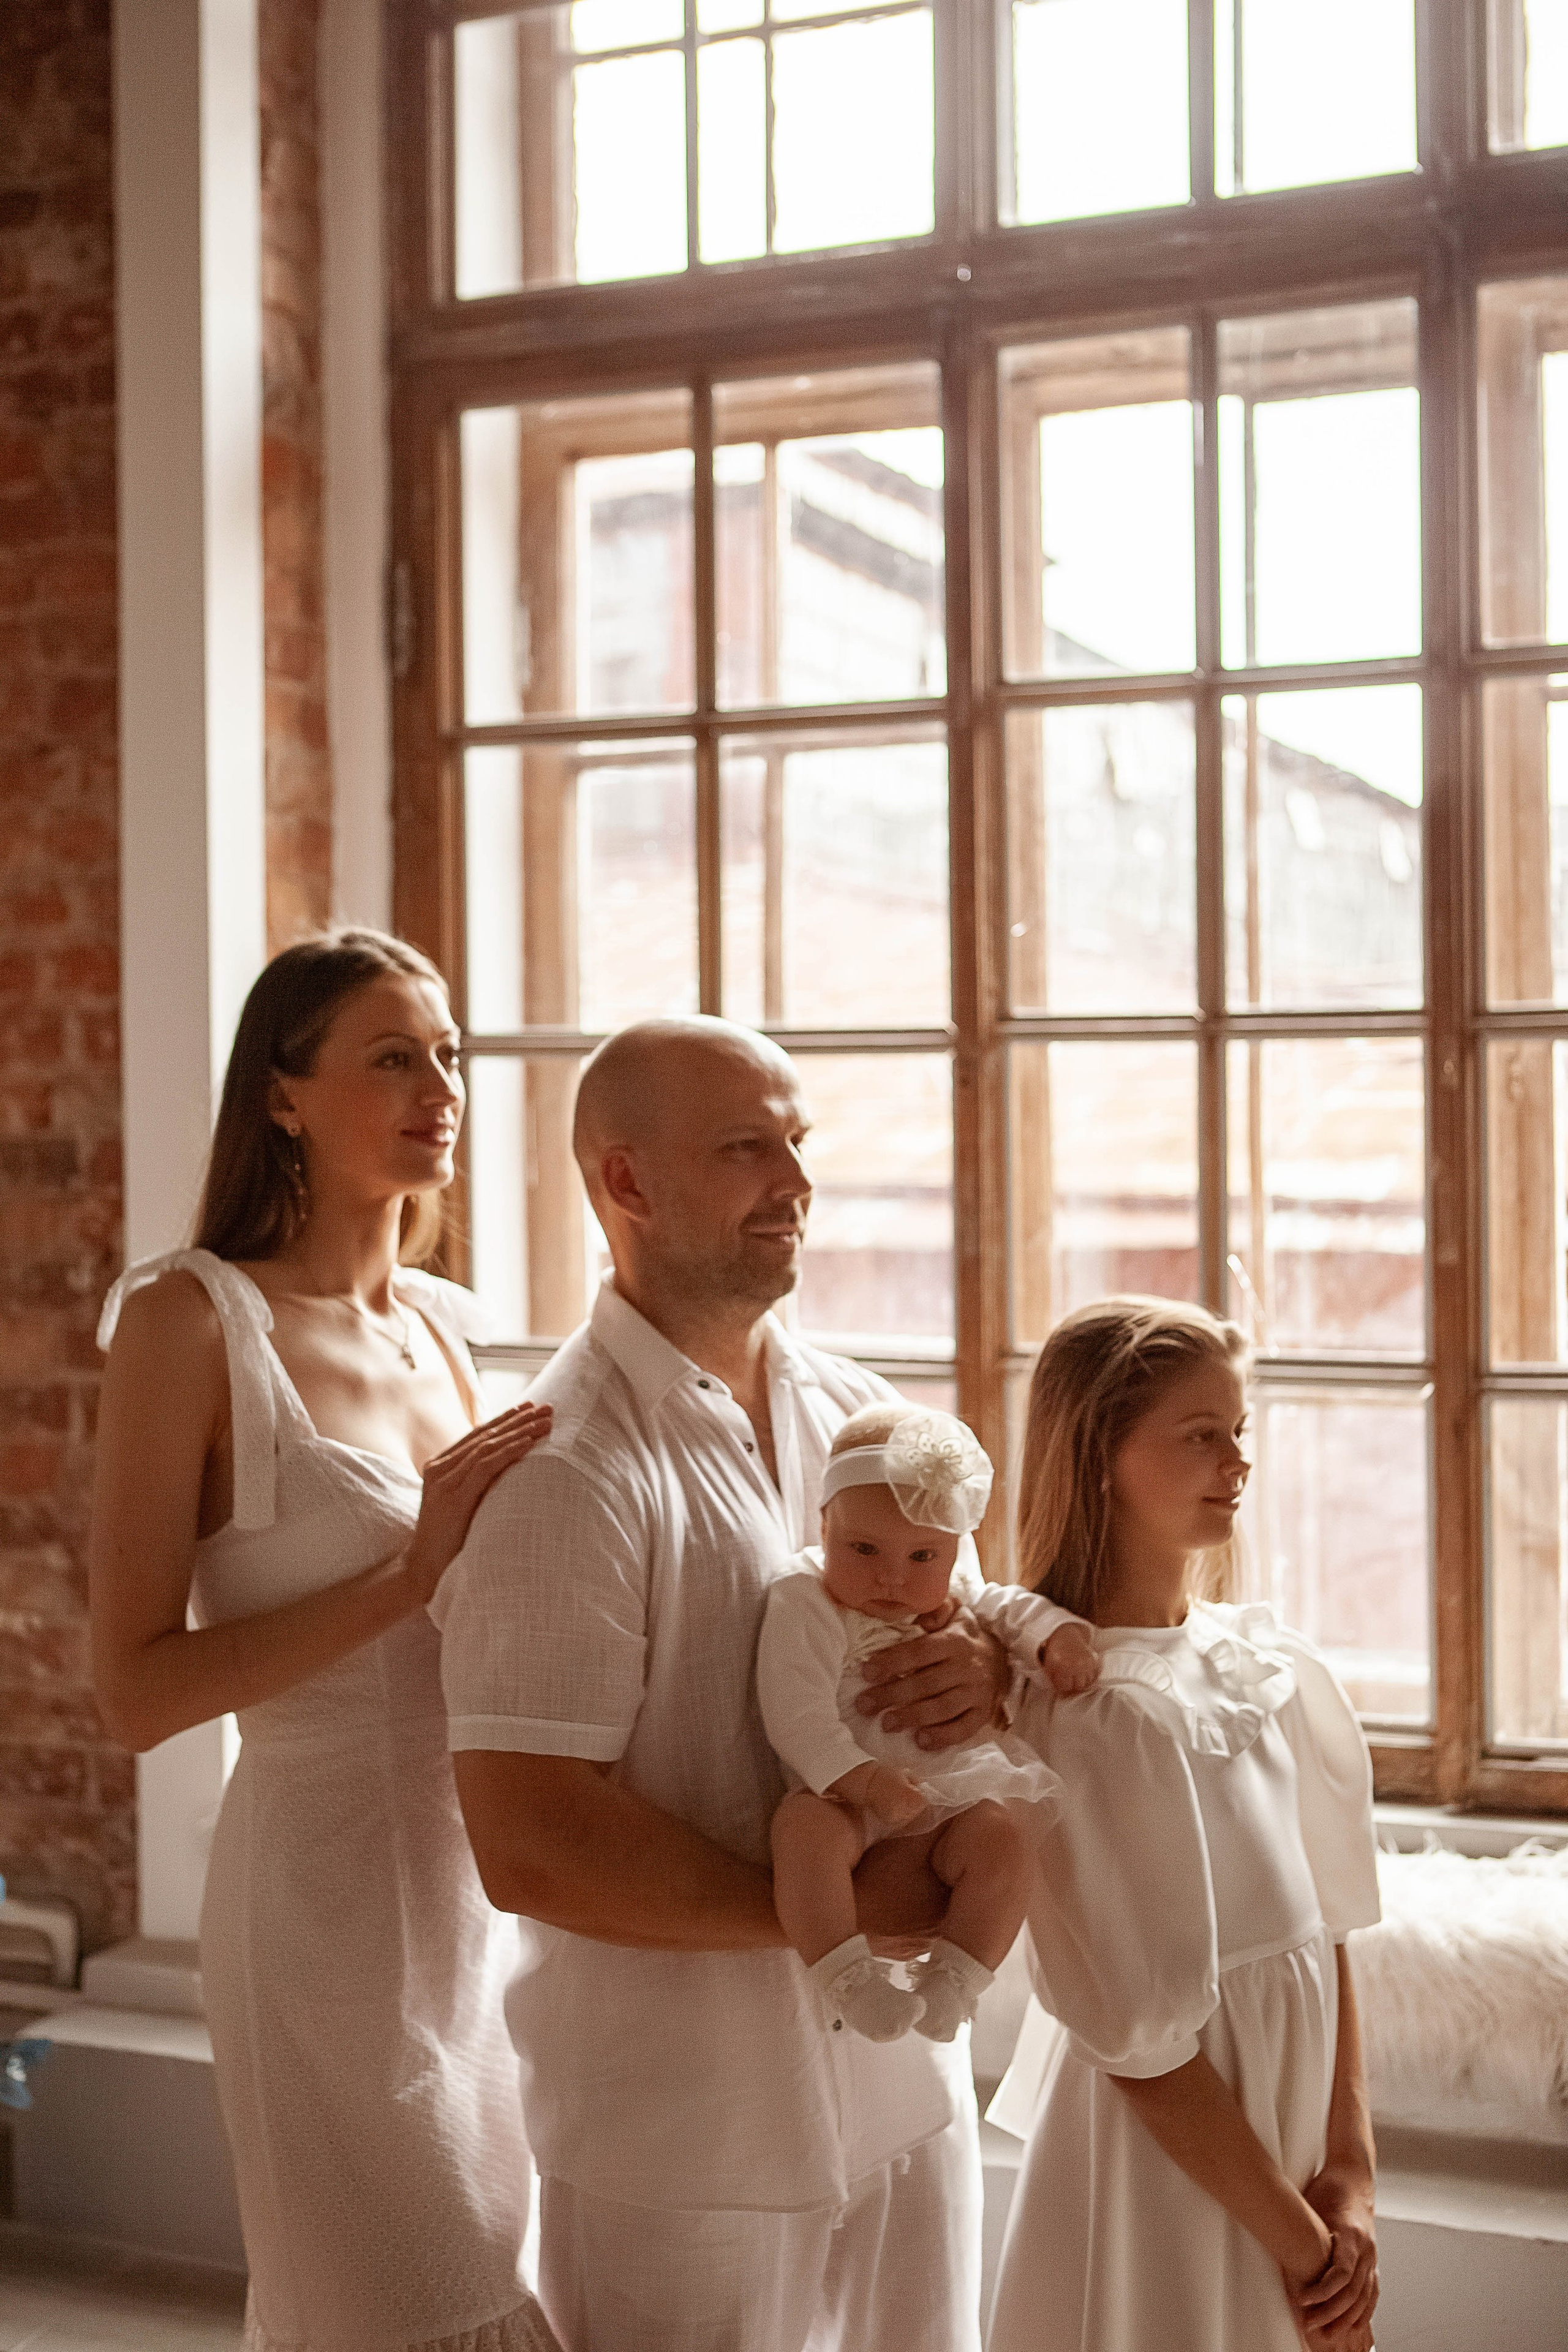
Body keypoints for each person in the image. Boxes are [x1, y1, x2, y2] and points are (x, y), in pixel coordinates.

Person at [431, 1015, 1087, 2352]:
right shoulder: (564, 1475)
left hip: (903, 2093)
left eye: (796, 1143)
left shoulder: (861, 1418)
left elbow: (965, 1639)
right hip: (686, 2137)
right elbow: (531, 1847)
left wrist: (976, 1679)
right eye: (747, 1148)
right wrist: (847, 1908)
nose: (795, 1182)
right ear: (626, 1184)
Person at [89, 930, 560, 2352]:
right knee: (415, 2309)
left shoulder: (442, 1329)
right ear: (281, 1094)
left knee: (505, 2290)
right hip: (313, 1919)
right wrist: (404, 1574)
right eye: (392, 1055)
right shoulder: (188, 1321)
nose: (441, 1087)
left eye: (450, 1055)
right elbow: (131, 1690)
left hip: (478, 1911)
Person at [987, 1296, 1382, 2352]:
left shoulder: (1267, 1667)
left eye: (1240, 1432)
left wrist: (1352, 2175)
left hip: (1295, 2164)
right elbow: (1148, 2053)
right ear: (1101, 1455)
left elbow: (1327, 1928)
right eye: (1201, 1436)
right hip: (1175, 2171)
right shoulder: (1098, 1715)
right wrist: (1303, 2253)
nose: (1237, 1462)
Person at [760, 1401, 1072, 2045]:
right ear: (824, 1526)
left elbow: (1008, 1608)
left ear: (956, 1548)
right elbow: (794, 1711)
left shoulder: (955, 1589)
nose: (892, 1577)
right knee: (801, 1833)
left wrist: (1055, 1638)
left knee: (1003, 1842)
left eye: (923, 1556)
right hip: (846, 1796)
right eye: (863, 1548)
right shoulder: (803, 1596)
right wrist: (863, 1782)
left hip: (945, 1790)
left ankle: (954, 1983)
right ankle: (849, 1981)